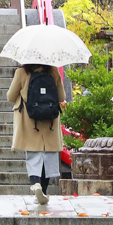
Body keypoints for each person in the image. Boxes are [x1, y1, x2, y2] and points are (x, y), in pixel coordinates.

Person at [8, 62, 65, 205]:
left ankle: (35, 184)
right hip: (50, 121)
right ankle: (43, 191)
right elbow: (61, 96)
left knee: (33, 155)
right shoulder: (53, 71)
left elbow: (10, 97)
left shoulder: (22, 72)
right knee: (48, 155)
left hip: (30, 121)